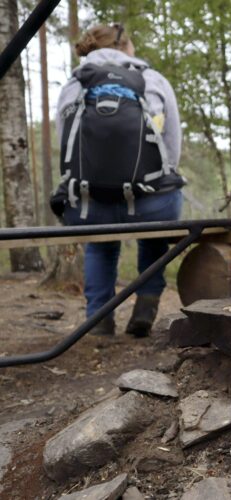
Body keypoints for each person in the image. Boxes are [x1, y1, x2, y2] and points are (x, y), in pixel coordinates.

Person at [53, 24, 185, 337]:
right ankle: (145, 308)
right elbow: (171, 144)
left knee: (100, 246)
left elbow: (65, 144)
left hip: (89, 206)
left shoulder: (75, 83)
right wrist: (155, 183)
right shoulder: (152, 79)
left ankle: (99, 321)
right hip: (152, 205)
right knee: (154, 236)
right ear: (126, 45)